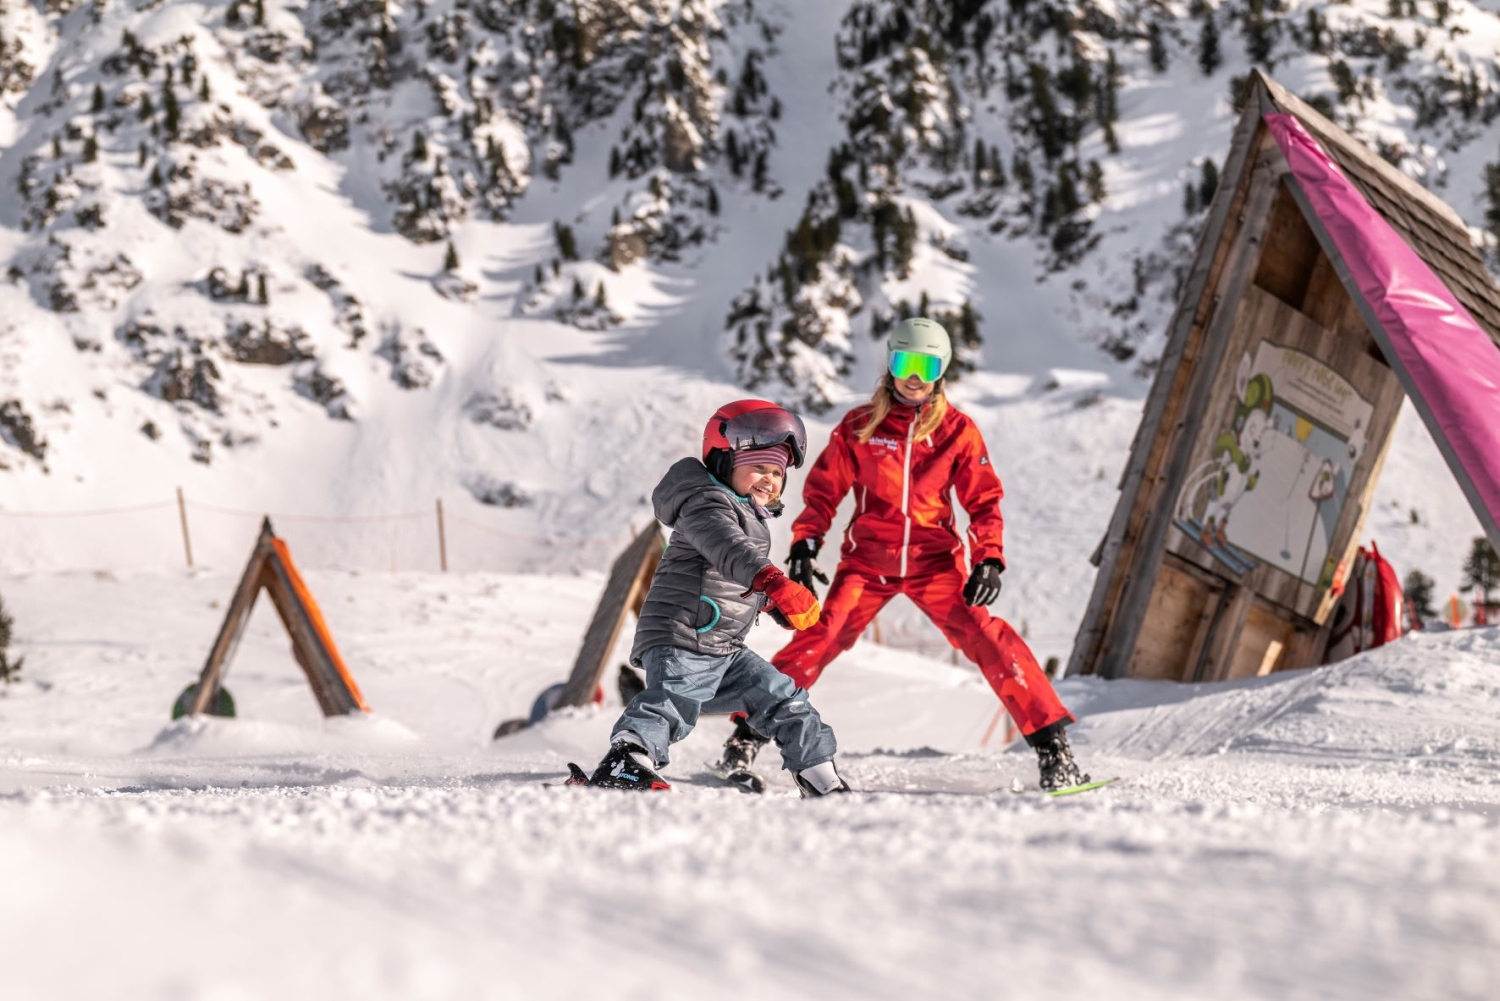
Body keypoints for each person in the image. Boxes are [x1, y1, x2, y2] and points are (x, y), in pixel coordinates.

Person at [713, 318, 1091, 791]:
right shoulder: (859, 426)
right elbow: (824, 492)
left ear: (942, 370)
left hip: (936, 564)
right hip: (868, 563)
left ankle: (1055, 750)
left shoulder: (957, 431)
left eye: (926, 364)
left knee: (990, 637)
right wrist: (806, 542)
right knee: (818, 638)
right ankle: (745, 739)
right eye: (904, 361)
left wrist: (989, 557)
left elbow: (983, 501)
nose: (914, 375)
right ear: (890, 365)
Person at [569, 399, 851, 796]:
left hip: (722, 648)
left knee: (784, 699)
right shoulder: (705, 503)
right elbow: (727, 550)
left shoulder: (746, 514)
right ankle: (625, 761)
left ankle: (822, 779)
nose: (768, 479)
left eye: (777, 472)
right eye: (757, 467)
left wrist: (770, 605)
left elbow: (724, 578)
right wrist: (772, 581)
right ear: (723, 461)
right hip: (683, 635)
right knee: (673, 702)